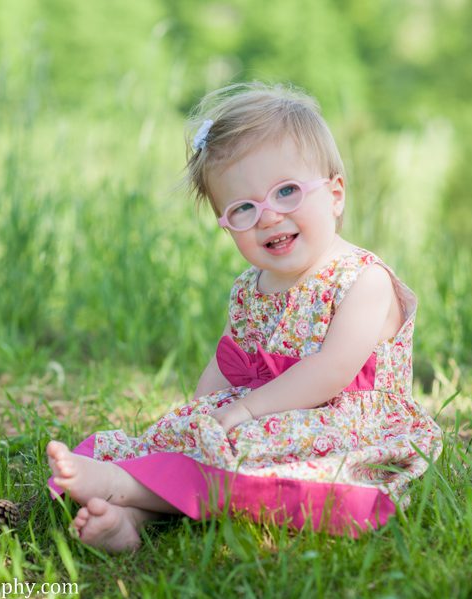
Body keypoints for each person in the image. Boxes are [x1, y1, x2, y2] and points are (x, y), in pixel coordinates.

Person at [46, 81, 442, 553]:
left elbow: (330, 372)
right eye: (244, 209)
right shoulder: (250, 288)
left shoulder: (363, 281)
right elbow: (228, 361)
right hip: (269, 416)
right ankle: (130, 519)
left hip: (342, 426)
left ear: (335, 195)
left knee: (259, 460)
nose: (269, 217)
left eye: (288, 192)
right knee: (203, 446)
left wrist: (245, 410)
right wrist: (201, 416)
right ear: (225, 223)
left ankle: (119, 485)